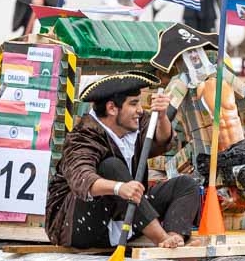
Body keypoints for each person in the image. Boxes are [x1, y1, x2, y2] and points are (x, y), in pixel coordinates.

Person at [45, 71, 201, 249]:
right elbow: (83, 180)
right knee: (111, 166)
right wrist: (119, 188)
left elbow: (161, 141)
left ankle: (174, 240)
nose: (140, 110)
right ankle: (162, 239)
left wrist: (162, 116)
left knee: (186, 185)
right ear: (112, 108)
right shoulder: (83, 136)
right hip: (79, 226)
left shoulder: (134, 123)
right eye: (133, 104)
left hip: (128, 214)